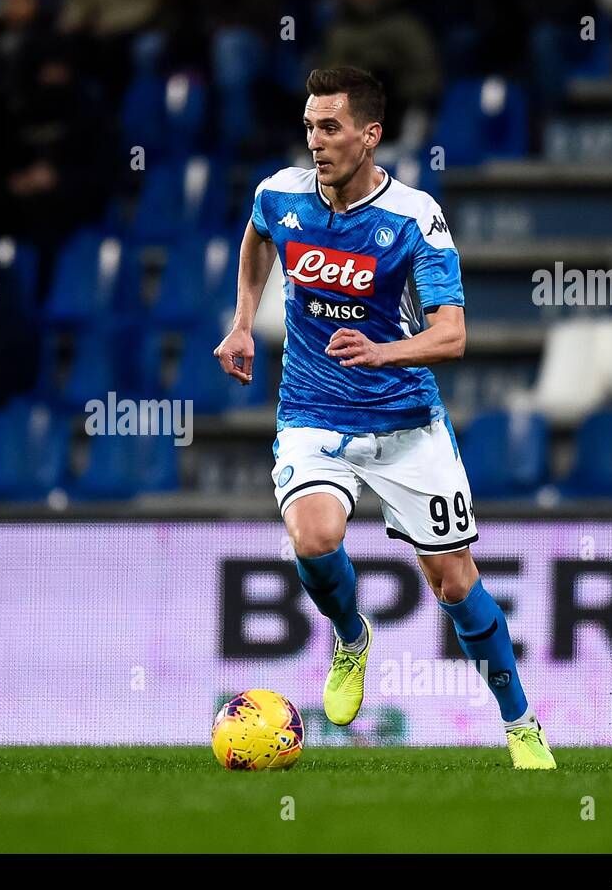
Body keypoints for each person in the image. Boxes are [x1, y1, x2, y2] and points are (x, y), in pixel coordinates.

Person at [214, 66, 554, 769]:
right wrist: (244, 321)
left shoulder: (413, 219)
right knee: (313, 537)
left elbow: (453, 334)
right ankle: (351, 638)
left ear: (370, 136)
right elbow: (256, 240)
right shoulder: (280, 196)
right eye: (310, 126)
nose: (316, 141)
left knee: (456, 584)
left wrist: (383, 351)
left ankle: (520, 723)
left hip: (405, 424)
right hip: (312, 411)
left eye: (331, 127)